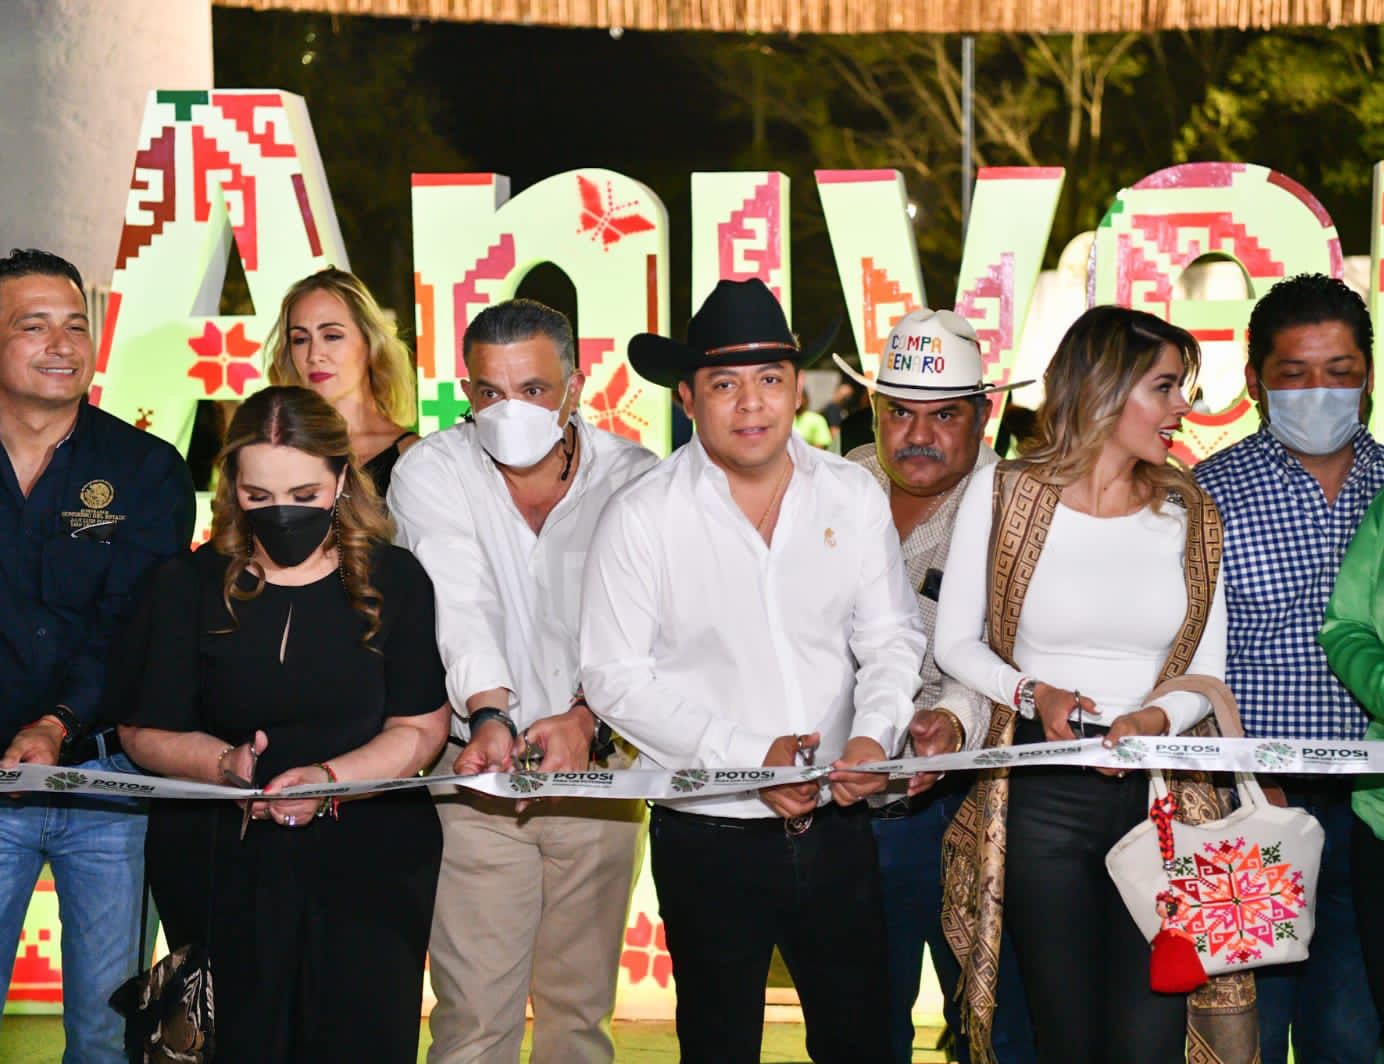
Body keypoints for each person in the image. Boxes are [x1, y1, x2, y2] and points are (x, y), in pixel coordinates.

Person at [580, 278, 927, 1064]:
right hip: (708, 838)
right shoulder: (643, 514)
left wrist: (873, 738)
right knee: (718, 1046)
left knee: (863, 1043)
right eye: (724, 384)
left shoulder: (850, 495)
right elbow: (614, 677)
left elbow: (892, 637)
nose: (751, 404)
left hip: (840, 827)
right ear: (687, 397)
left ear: (797, 386)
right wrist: (747, 759)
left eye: (770, 378)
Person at [934, 305, 1233, 1062]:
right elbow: (955, 642)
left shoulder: (1190, 513)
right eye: (1164, 387)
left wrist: (1150, 722)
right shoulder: (1004, 493)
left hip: (1160, 800)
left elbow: (1207, 672)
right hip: (1044, 800)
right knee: (1065, 1035)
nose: (1182, 406)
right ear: (1104, 387)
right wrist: (1033, 694)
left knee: (1149, 1040)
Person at [118, 386, 449, 1064]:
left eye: (303, 494)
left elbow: (420, 728)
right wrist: (224, 765)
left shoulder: (398, 580)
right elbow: (142, 731)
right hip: (222, 864)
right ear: (231, 488)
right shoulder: (183, 584)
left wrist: (330, 779)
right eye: (258, 495)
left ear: (341, 480)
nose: (282, 513)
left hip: (372, 865)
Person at [389, 298, 656, 1064]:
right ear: (466, 392)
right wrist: (490, 718)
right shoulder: (431, 470)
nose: (512, 410)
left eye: (533, 389)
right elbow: (459, 596)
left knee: (579, 1019)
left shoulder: (637, 479)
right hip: (477, 776)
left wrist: (588, 719)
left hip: (601, 778)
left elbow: (647, 630)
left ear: (576, 385)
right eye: (490, 392)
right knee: (474, 1022)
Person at [0, 248, 194, 1064]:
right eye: (33, 326)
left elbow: (133, 625)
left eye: (76, 326)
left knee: (107, 1034)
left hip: (105, 783)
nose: (62, 345)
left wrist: (58, 722)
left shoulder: (145, 469)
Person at [834, 308, 1036, 1064]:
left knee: (994, 1026)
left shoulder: (1019, 507)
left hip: (971, 810)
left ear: (984, 415)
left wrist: (951, 720)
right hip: (842, 803)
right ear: (874, 411)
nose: (918, 435)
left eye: (944, 415)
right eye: (899, 413)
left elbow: (1017, 649)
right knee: (857, 1028)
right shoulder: (835, 485)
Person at [1197, 272, 1384, 1063]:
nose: (1320, 392)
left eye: (1340, 372)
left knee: (1355, 1034)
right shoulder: (1207, 496)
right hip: (1250, 809)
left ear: (1368, 377)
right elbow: (1185, 660)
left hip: (1373, 812)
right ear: (1255, 382)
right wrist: (1237, 773)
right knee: (1248, 1032)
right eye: (1295, 374)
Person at [267, 267, 419, 499]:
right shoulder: (270, 452)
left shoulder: (415, 458)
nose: (314, 354)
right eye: (300, 339)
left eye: (332, 336)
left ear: (370, 342)